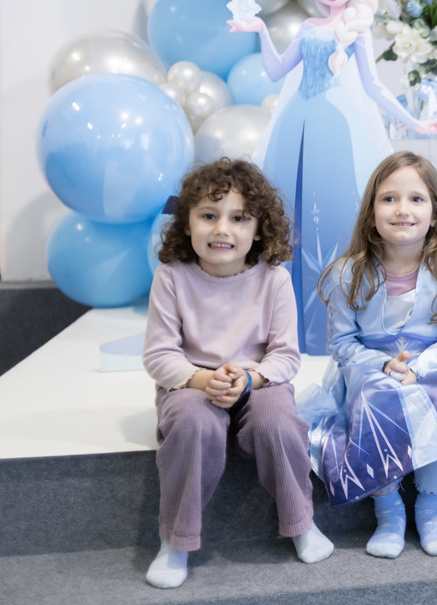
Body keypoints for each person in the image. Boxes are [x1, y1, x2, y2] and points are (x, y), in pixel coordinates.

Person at [228, 0, 437, 355]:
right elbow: (276, 71)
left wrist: (415, 122)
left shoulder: (356, 30)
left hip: (337, 129)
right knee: (287, 213)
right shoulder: (308, 28)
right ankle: (281, 328)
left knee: (339, 213)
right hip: (296, 126)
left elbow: (374, 87)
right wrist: (262, 31)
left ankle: (332, 326)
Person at [142, 158, 332, 589]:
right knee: (192, 423)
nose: (222, 229)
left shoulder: (274, 279)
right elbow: (159, 355)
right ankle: (176, 541)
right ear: (187, 224)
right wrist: (203, 380)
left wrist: (249, 380)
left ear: (259, 229)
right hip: (191, 383)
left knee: (278, 423)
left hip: (257, 380)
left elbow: (286, 356)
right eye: (208, 216)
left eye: (239, 218)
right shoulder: (171, 278)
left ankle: (301, 522)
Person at [299, 152, 437, 559]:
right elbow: (343, 344)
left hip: (431, 366)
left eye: (416, 199)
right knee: (377, 397)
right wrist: (383, 366)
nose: (402, 210)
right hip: (369, 369)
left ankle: (431, 508)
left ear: (435, 214)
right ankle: (389, 510)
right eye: (389, 199)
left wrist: (420, 368)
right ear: (371, 212)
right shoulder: (347, 274)